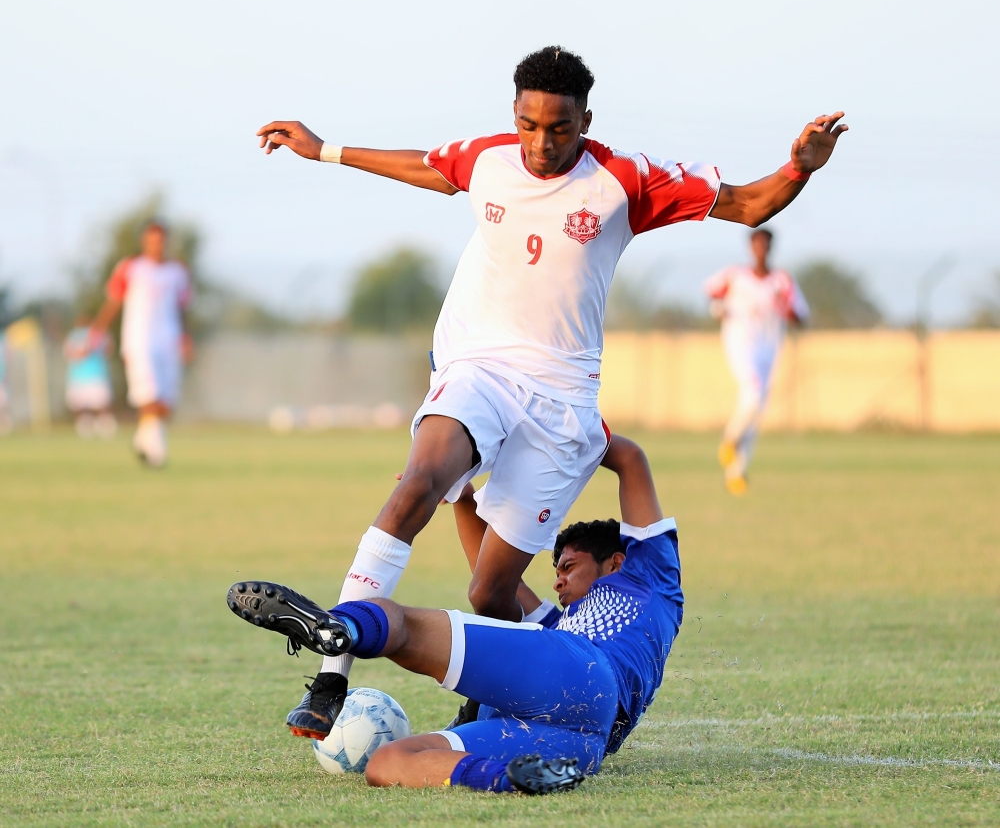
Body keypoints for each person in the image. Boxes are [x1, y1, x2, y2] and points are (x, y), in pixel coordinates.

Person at [255, 45, 846, 737]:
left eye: (559, 128)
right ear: (515, 114)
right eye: (529, 124)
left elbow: (749, 204)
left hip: (562, 406)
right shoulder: (488, 158)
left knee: (491, 590)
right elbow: (428, 166)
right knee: (419, 480)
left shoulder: (624, 179)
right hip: (478, 368)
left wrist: (799, 167)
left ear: (584, 120)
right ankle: (332, 673)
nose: (541, 142)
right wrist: (324, 150)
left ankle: (504, 688)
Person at [227, 434, 682, 794]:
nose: (557, 580)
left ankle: (340, 629)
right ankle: (510, 779)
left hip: (581, 672)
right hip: (583, 744)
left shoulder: (650, 577)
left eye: (568, 567)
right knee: (388, 764)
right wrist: (463, 496)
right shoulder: (555, 623)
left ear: (616, 563)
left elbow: (630, 457)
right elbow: (492, 585)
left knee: (396, 621)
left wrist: (568, 429)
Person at [704, 229, 810, 495]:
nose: (761, 248)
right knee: (751, 393)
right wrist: (718, 309)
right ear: (751, 247)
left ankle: (736, 472)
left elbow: (801, 316)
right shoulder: (735, 275)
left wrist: (786, 309)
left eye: (766, 244)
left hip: (770, 348)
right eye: (757, 243)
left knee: (757, 408)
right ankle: (729, 442)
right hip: (740, 344)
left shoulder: (781, 281)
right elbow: (712, 295)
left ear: (771, 247)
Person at [88, 221, 193, 467]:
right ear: (144, 242)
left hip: (169, 338)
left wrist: (186, 337)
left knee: (166, 402)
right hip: (139, 339)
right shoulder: (131, 268)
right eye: (152, 240)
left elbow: (183, 308)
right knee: (150, 395)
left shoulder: (178, 272)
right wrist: (96, 332)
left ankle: (142, 440)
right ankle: (157, 453)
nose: (157, 245)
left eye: (161, 240)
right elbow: (113, 302)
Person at [64, 318, 117, 439]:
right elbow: (69, 352)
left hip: (96, 374)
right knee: (80, 405)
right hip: (77, 376)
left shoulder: (99, 334)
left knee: (101, 404)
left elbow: (108, 349)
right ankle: (85, 428)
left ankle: (106, 427)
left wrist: (91, 348)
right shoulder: (74, 335)